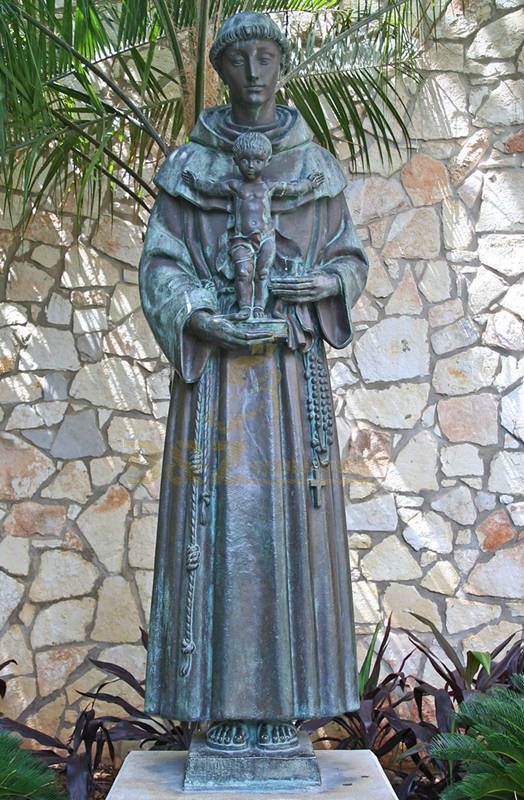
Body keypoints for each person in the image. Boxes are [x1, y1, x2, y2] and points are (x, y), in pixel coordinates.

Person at [139, 11, 367, 753]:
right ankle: (223, 713)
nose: (256, 72)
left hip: (290, 382)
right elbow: (161, 265)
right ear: (223, 70)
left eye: (268, 56)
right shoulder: (187, 166)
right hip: (214, 399)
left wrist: (323, 283)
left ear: (284, 64)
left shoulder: (316, 166)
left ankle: (281, 716)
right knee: (223, 535)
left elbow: (349, 258)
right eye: (241, 59)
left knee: (286, 539)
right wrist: (201, 318)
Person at [182, 130, 324, 320]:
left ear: (267, 161)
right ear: (236, 160)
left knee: (263, 274)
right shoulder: (235, 186)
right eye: (245, 160)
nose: (251, 166)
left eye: (257, 161)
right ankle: (244, 308)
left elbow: (293, 189)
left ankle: (259, 308)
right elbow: (213, 188)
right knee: (243, 272)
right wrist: (196, 183)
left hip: (266, 237)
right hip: (242, 239)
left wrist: (309, 184)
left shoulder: (269, 186)